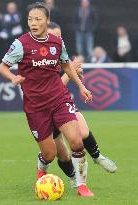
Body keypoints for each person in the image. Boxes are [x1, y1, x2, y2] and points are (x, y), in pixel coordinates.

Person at [0, 2, 94, 196]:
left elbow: (67, 66)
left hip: (59, 99)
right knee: (50, 153)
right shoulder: (20, 44)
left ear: (47, 21)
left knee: (76, 141)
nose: (33, 23)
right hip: (35, 107)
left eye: (38, 19)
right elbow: (2, 67)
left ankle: (81, 185)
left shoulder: (57, 42)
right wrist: (13, 77)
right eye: (30, 19)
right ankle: (42, 167)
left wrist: (82, 86)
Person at [47, 22, 117, 188]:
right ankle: (71, 177)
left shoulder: (61, 55)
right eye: (53, 35)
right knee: (62, 155)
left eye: (59, 35)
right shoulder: (39, 59)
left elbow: (68, 76)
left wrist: (75, 73)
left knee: (83, 132)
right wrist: (69, 73)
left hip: (62, 103)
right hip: (44, 110)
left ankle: (97, 156)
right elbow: (51, 90)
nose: (57, 39)